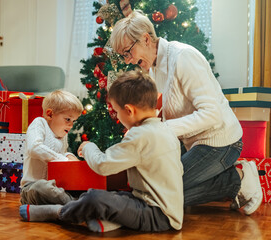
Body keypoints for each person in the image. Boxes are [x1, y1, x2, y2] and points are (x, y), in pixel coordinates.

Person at [108, 10, 262, 215]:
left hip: (221, 142)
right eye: (123, 55)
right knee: (158, 190)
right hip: (193, 144)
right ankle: (225, 177)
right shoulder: (153, 69)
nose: (127, 60)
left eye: (128, 52)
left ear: (145, 39)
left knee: (165, 196)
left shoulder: (183, 57)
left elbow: (211, 114)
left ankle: (238, 178)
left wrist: (163, 129)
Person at [19, 71, 184, 233]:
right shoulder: (166, 130)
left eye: (117, 112)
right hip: (164, 209)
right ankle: (100, 219)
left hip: (155, 213)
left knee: (95, 198)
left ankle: (58, 212)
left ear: (129, 111)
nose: (118, 118)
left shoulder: (139, 135)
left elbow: (103, 165)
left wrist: (89, 146)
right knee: (113, 196)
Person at [20, 89, 83, 206]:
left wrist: (69, 156)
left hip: (56, 187)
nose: (71, 125)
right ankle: (77, 205)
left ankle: (62, 208)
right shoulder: (39, 124)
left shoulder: (63, 135)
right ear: (50, 114)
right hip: (32, 187)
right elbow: (34, 148)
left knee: (64, 190)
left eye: (74, 121)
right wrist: (64, 159)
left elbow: (62, 153)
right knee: (43, 188)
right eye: (68, 119)